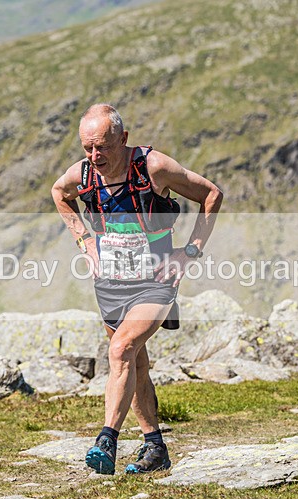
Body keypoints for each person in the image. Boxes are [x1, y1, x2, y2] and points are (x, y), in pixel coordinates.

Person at [51, 103, 223, 474]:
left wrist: (190, 252)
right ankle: (155, 448)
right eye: (87, 148)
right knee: (136, 362)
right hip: (110, 282)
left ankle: (106, 440)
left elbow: (212, 195)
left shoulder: (153, 167)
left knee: (121, 348)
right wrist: (84, 240)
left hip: (156, 280)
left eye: (103, 147)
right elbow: (58, 193)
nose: (95, 156)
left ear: (123, 139)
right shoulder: (82, 175)